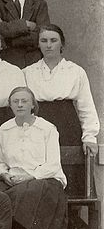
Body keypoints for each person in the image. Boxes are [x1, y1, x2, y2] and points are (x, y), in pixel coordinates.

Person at [0, 87, 67, 229]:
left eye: (24, 101)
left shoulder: (47, 128)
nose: (20, 104)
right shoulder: (4, 129)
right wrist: (4, 173)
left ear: (33, 104)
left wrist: (30, 175)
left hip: (45, 179)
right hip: (12, 180)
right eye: (15, 101)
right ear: (10, 105)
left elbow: (53, 164)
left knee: (27, 192)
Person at [24, 24, 99, 156]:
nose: (48, 45)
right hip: (38, 126)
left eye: (53, 40)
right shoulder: (28, 73)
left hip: (67, 125)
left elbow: (86, 107)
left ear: (62, 44)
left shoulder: (76, 71)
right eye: (44, 41)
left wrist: (89, 137)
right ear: (38, 45)